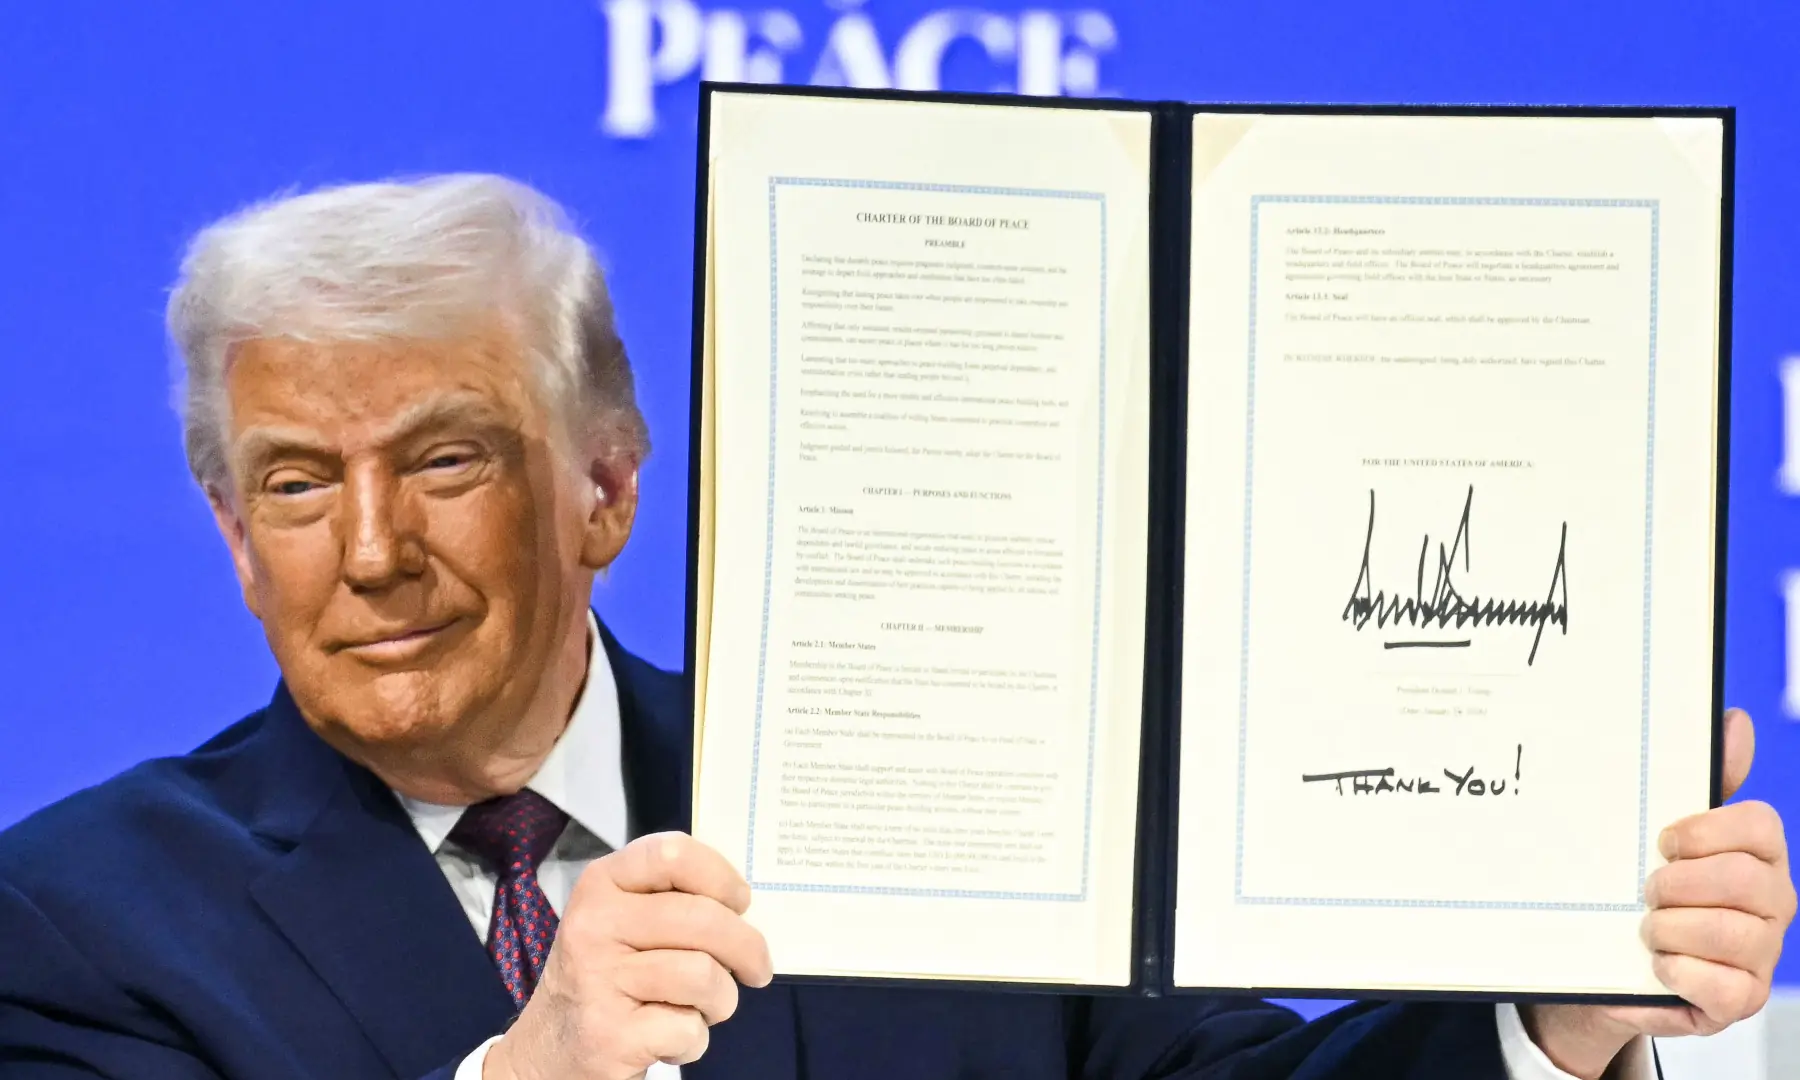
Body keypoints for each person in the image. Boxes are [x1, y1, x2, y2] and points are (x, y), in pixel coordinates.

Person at [0, 175, 1789, 1080]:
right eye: (298, 484)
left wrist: (1546, 1010)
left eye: (447, 459)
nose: (370, 550)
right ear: (234, 539)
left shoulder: (919, 794)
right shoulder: (80, 924)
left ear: (607, 490)